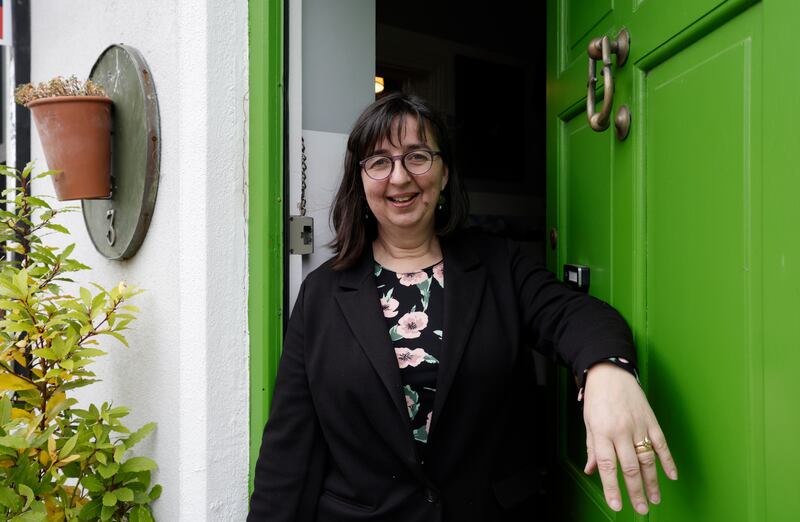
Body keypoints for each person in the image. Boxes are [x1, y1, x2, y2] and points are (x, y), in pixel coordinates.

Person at [248, 92, 677, 521]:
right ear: (359, 181)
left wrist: (607, 369)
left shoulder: (498, 265)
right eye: (379, 162)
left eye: (417, 156)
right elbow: (289, 451)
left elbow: (574, 314)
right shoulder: (322, 295)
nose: (399, 178)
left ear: (444, 172)